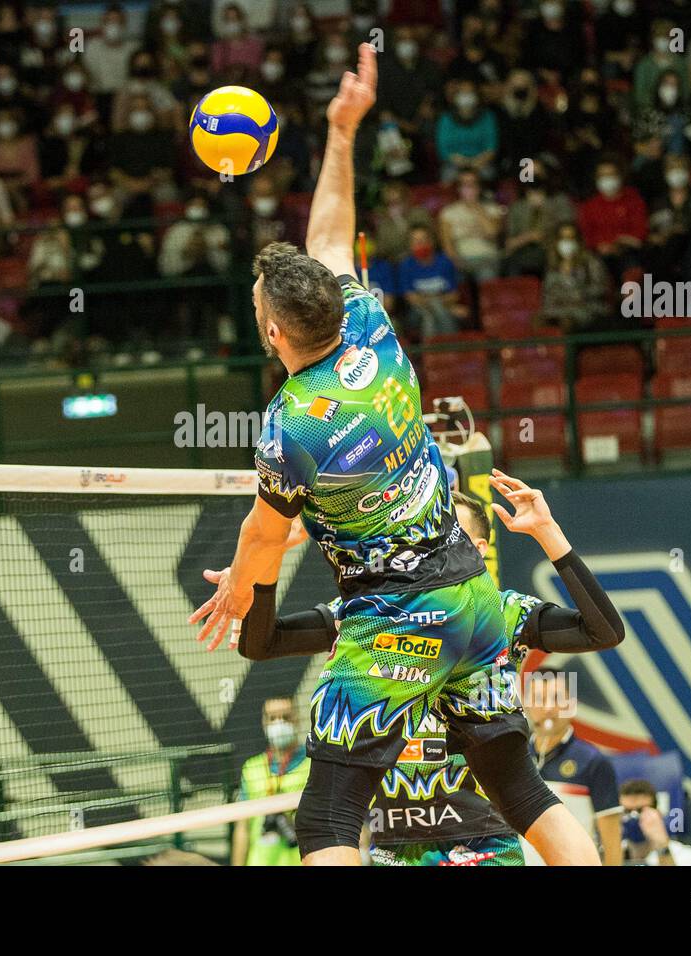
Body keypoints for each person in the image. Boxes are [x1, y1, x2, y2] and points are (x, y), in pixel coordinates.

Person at [191, 45, 595, 867]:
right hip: (473, 597)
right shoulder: (370, 324)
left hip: (393, 616)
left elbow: (267, 541)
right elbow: (332, 234)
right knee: (519, 788)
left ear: (272, 335)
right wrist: (342, 132)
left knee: (328, 821)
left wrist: (241, 584)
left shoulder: (288, 424)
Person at [231, 475, 626, 866]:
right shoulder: (374, 616)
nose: (427, 548)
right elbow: (263, 643)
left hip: (481, 843)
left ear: (477, 549)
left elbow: (603, 630)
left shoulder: (505, 612)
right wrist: (269, 557)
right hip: (397, 848)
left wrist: (547, 532)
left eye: (444, 537)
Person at [526, 666, 624, 865]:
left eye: (557, 699)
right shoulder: (513, 758)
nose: (548, 709)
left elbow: (612, 844)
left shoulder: (593, 762)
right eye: (539, 699)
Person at [231, 697, 310, 866]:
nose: (279, 724)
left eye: (285, 717)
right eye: (272, 718)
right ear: (264, 723)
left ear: (297, 719)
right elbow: (242, 828)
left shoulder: (314, 763)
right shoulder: (251, 768)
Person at [620, 779, 691, 865]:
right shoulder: (609, 853)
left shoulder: (684, 855)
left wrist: (662, 846)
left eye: (640, 811)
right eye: (627, 811)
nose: (633, 817)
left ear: (657, 813)